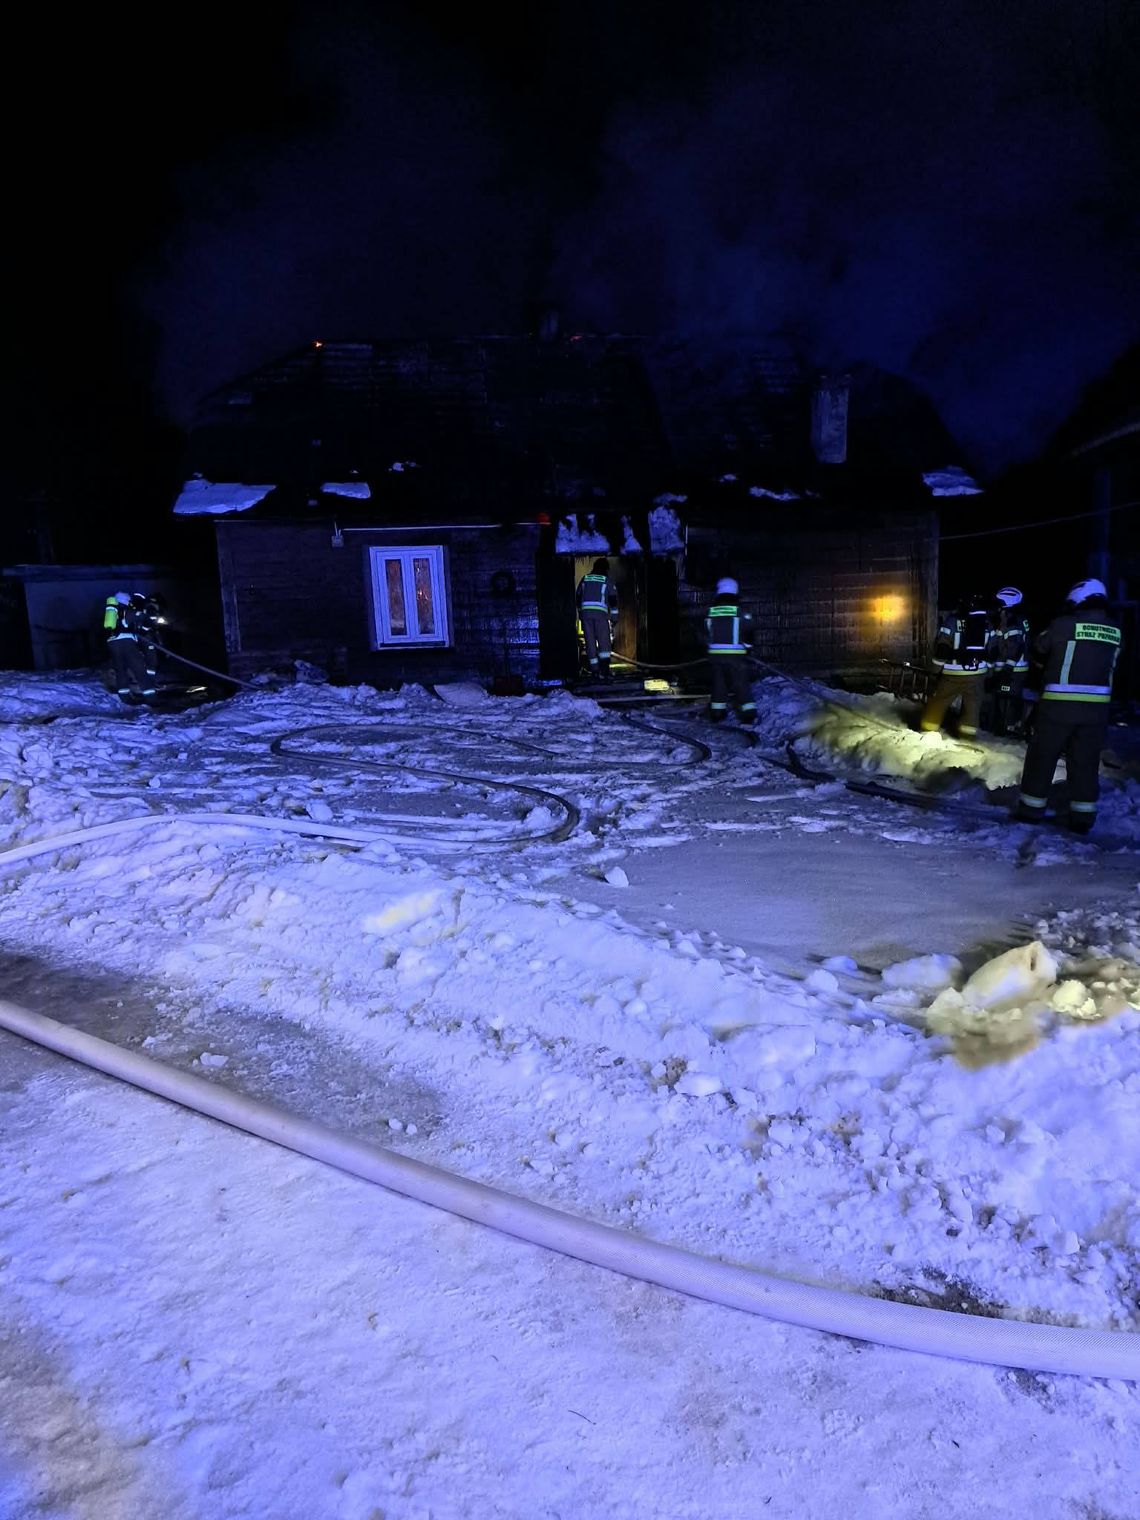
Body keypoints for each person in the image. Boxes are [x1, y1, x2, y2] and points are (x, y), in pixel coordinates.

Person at [1014, 578, 1122, 833]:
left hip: (1058, 707)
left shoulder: (1063, 625)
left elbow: (1040, 647)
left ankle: (1031, 810)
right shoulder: (1115, 631)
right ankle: (1083, 816)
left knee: (1043, 757)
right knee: (1085, 761)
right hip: (1096, 711)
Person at [918, 591, 998, 739]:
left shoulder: (951, 621)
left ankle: (927, 731)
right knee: (972, 708)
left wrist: (934, 671)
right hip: (977, 674)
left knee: (939, 702)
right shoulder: (986, 624)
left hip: (952, 674)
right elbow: (993, 652)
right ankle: (967, 738)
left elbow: (942, 649)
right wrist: (990, 674)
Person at [705, 577, 756, 724]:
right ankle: (748, 715)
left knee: (718, 685)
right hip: (736, 658)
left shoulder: (711, 613)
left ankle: (717, 713)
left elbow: (707, 632)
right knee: (741, 685)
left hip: (715, 658)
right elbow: (749, 632)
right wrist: (748, 648)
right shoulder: (741, 612)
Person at [988, 586, 1031, 736]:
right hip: (1011, 669)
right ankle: (1004, 726)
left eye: (999, 602)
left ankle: (1009, 729)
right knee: (1004, 699)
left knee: (1009, 700)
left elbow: (1014, 647)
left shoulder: (1013, 620)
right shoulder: (1010, 617)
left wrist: (1006, 669)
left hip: (1013, 671)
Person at [103, 591, 156, 700]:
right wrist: (144, 630)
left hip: (112, 643)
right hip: (126, 642)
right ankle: (150, 695)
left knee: (120, 669)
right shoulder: (128, 612)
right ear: (126, 601)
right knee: (139, 667)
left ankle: (124, 696)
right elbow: (146, 619)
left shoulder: (112, 613)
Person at [577, 558, 619, 680]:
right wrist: (614, 618)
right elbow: (613, 601)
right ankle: (605, 671)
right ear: (605, 569)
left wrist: (581, 613)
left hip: (586, 616)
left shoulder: (585, 578)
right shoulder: (606, 580)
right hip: (600, 615)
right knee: (604, 642)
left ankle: (595, 671)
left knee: (590, 643)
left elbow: (578, 597)